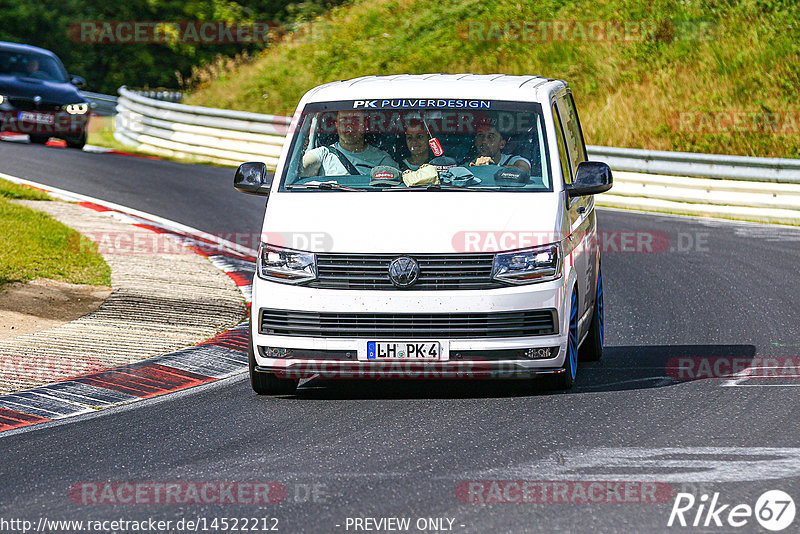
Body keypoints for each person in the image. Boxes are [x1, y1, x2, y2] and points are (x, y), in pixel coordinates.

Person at [301, 110, 397, 176]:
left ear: (365, 125)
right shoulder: (322, 155)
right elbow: (297, 172)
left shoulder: (382, 160)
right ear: (337, 125)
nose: (349, 126)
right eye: (344, 120)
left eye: (355, 120)